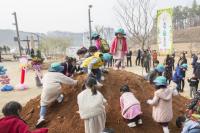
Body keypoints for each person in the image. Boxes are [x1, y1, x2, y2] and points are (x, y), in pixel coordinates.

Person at [36, 63, 78, 127]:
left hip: (46, 90)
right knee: (58, 94)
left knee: (43, 103)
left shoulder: (46, 74)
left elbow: (42, 82)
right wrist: (75, 82)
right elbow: (68, 81)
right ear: (59, 69)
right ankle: (59, 99)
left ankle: (41, 118)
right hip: (56, 89)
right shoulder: (59, 74)